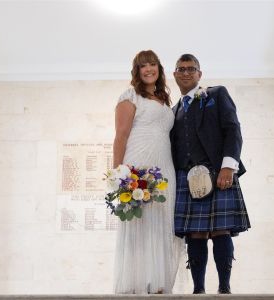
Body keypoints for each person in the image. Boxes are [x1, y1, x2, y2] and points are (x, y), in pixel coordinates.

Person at [171, 54, 251, 294]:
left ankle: (225, 288)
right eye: (181, 69)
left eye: (191, 69)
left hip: (217, 170)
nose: (186, 73)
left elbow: (233, 130)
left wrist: (228, 166)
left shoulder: (216, 94)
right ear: (174, 74)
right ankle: (198, 290)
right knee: (194, 233)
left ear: (199, 74)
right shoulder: (173, 111)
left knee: (220, 229)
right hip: (186, 176)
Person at [112, 50, 184, 294]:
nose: (149, 69)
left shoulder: (165, 100)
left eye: (153, 64)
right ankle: (136, 286)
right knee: (141, 225)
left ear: (159, 68)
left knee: (163, 223)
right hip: (138, 164)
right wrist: (119, 175)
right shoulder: (130, 96)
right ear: (137, 70)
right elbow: (120, 135)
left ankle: (159, 286)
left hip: (165, 167)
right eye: (143, 66)